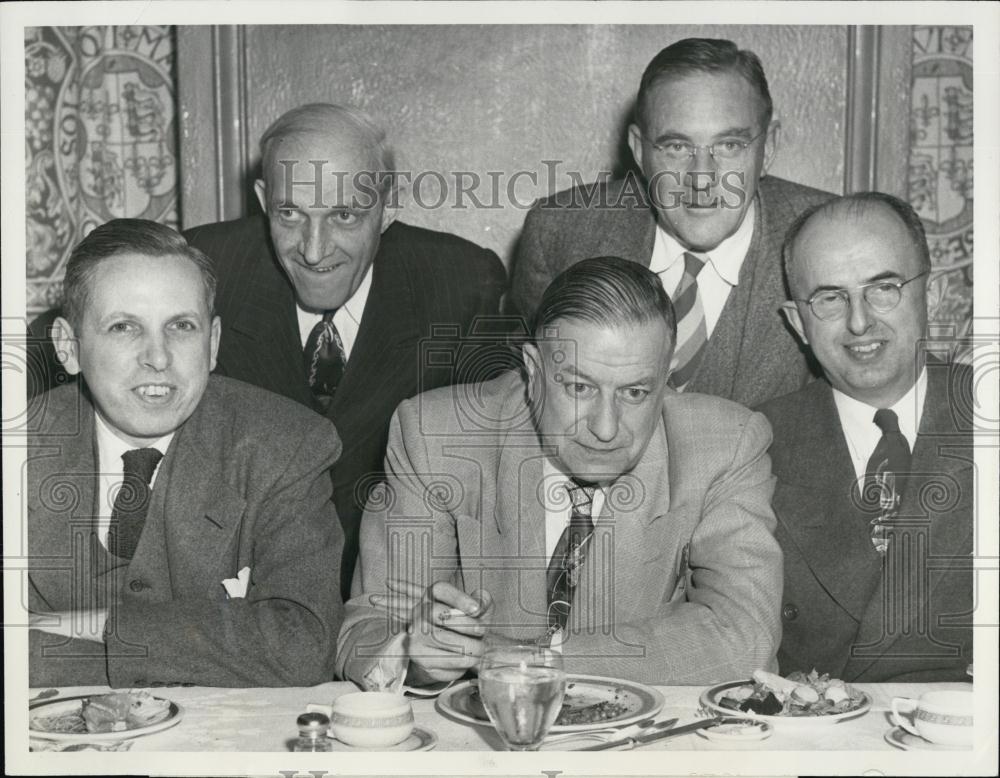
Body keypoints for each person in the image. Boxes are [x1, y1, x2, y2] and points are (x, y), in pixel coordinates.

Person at [336, 257, 782, 688]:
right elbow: (367, 629)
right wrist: (414, 655)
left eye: (634, 392)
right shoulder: (435, 435)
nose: (605, 427)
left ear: (665, 380)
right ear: (533, 372)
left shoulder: (725, 444)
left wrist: (532, 659)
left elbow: (744, 638)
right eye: (579, 387)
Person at [182, 104, 508, 596]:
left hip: (398, 600)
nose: (314, 250)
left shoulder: (462, 285)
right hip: (235, 606)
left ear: (388, 206)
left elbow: (488, 482)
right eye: (290, 213)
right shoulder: (200, 269)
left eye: (345, 215)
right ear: (263, 199)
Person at [27, 219, 345, 688]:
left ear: (212, 343)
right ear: (68, 347)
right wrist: (210, 647)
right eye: (123, 327)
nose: (158, 356)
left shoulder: (287, 446)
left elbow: (302, 645)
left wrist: (98, 628)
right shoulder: (19, 448)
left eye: (181, 326)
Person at [510, 38, 833, 408]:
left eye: (729, 146)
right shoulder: (559, 232)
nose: (701, 178)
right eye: (676, 147)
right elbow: (523, 395)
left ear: (769, 148)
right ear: (638, 149)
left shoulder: (829, 241)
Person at [757, 192, 973, 681]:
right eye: (830, 298)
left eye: (883, 288)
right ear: (798, 322)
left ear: (932, 295)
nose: (859, 322)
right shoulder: (753, 447)